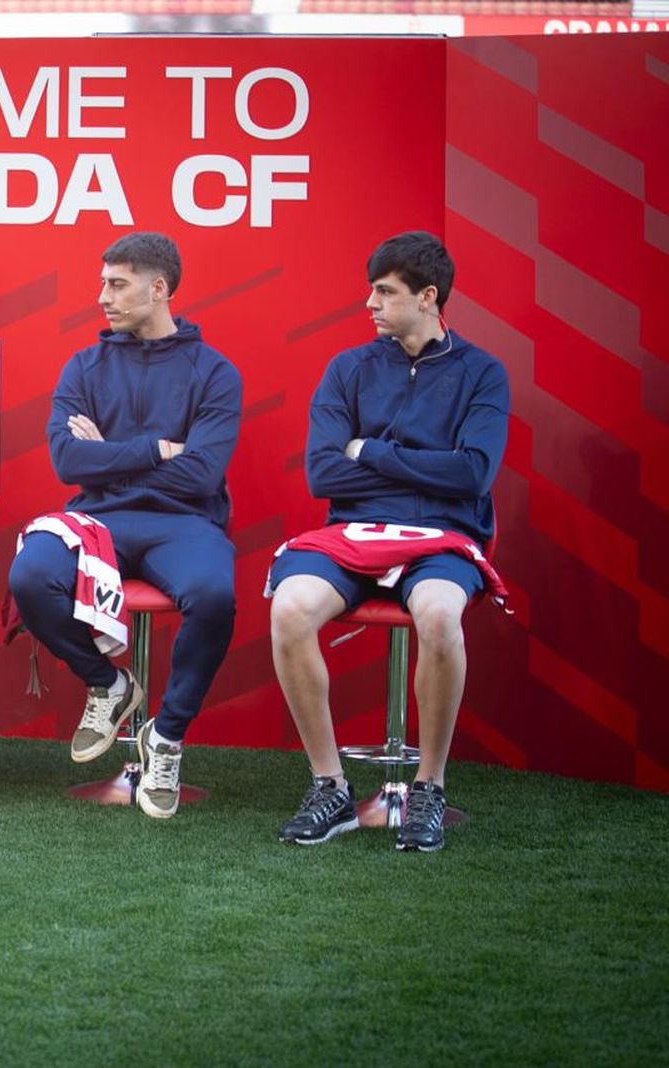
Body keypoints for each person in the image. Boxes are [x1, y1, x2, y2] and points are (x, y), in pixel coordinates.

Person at [269, 231, 509, 852]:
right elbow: (324, 472)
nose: (370, 304)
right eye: (372, 290)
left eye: (384, 291)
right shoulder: (347, 369)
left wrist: (373, 451)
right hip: (351, 531)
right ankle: (331, 787)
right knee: (289, 607)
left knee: (436, 615)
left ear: (428, 297)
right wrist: (430, 463)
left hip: (442, 539)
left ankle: (429, 786)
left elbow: (474, 474)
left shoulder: (482, 373)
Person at [7, 232, 241, 819]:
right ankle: (107, 684)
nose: (102, 297)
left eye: (118, 284)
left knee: (214, 596)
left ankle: (167, 736)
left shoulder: (214, 372)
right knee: (31, 575)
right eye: (103, 283)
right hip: (97, 517)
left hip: (182, 523)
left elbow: (201, 474)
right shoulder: (84, 365)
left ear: (159, 289)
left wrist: (110, 455)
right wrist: (160, 449)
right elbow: (67, 461)